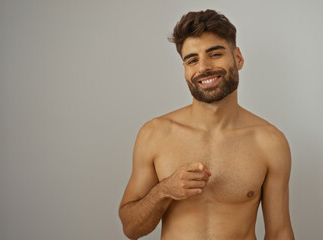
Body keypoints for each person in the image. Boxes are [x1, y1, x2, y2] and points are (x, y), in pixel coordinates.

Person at [119, 9, 294, 240]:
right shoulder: (155, 134)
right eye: (192, 60)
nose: (203, 68)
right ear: (185, 69)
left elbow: (279, 232)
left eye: (215, 54)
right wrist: (164, 190)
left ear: (238, 58)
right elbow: (131, 229)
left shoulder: (269, 142)